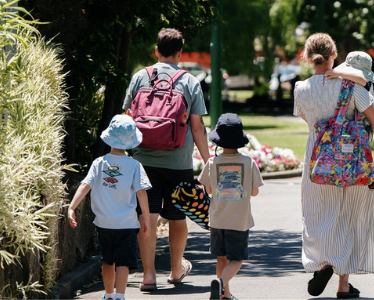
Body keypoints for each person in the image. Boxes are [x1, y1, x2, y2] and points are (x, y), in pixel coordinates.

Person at [293, 33, 374, 299]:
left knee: (317, 214)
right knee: (350, 216)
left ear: (307, 58)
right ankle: (343, 285)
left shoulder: (301, 88)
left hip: (317, 160)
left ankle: (322, 264)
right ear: (335, 56)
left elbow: (307, 120)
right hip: (351, 162)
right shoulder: (351, 87)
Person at [122, 28, 211, 290]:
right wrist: (208, 161)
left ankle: (149, 276)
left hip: (143, 162)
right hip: (178, 162)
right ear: (180, 53)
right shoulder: (189, 81)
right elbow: (196, 128)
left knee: (147, 217)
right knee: (176, 216)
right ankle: (175, 270)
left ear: (156, 50)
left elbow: (127, 118)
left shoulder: (140, 77)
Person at [67, 114, 152, 300]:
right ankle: (120, 296)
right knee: (123, 263)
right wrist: (145, 216)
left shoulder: (99, 163)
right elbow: (142, 192)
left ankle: (108, 294)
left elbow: (85, 186)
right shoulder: (134, 165)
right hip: (127, 224)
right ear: (131, 141)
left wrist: (72, 207)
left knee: (107, 260)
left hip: (104, 223)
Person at [197, 113, 264, 300]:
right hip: (238, 220)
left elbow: (208, 189)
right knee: (236, 258)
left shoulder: (212, 162)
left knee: (221, 257)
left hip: (217, 219)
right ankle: (220, 283)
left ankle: (224, 293)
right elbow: (254, 192)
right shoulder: (248, 162)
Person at [324, 51, 374, 191]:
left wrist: (338, 73)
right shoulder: (355, 81)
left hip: (363, 122)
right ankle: (370, 178)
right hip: (361, 123)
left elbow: (360, 78)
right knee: (361, 154)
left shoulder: (362, 82)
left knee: (362, 154)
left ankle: (371, 177)